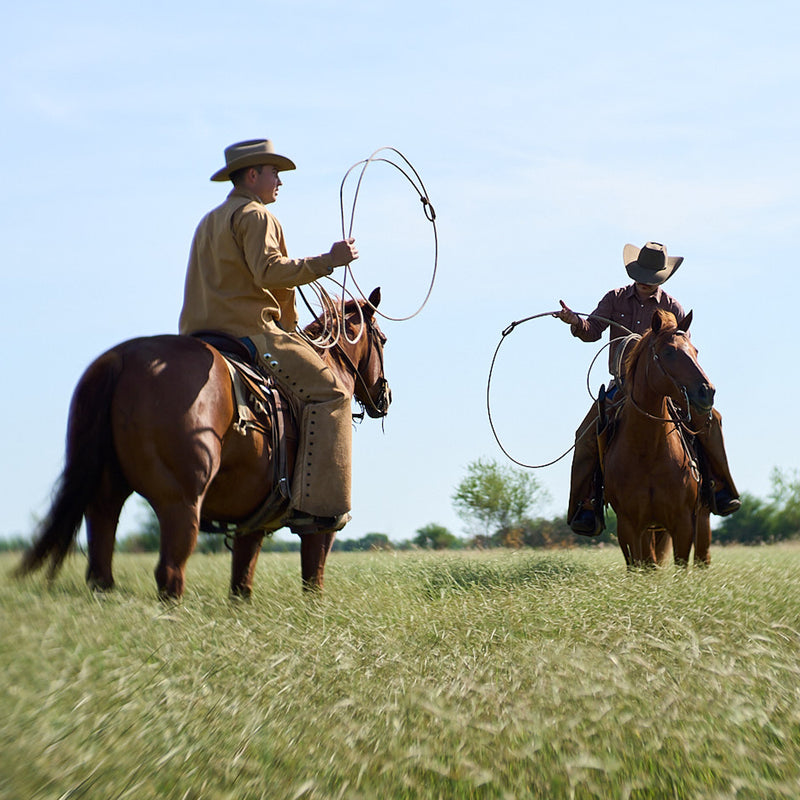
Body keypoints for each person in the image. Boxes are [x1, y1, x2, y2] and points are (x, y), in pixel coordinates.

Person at [179, 138, 359, 536]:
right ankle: (317, 508)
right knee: (333, 394)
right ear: (253, 174)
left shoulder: (209, 220)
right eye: (274, 172)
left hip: (197, 333)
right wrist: (329, 261)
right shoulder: (257, 215)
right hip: (250, 332)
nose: (280, 181)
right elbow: (269, 271)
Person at [554, 241, 740, 535]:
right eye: (641, 275)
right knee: (585, 435)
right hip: (622, 387)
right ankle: (586, 505)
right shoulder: (615, 299)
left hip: (667, 388)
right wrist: (573, 320)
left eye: (651, 277)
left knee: (710, 420)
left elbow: (682, 350)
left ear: (662, 277)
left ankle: (720, 487)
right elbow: (591, 331)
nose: (644, 282)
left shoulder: (672, 308)